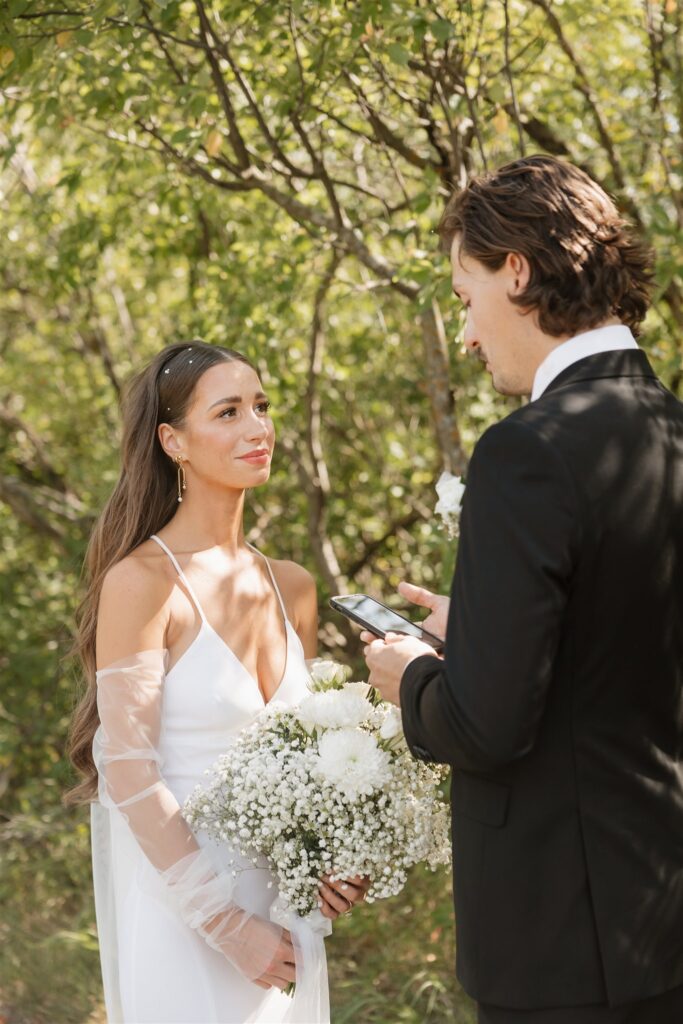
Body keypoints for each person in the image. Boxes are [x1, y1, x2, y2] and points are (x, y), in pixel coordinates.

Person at [362, 156, 683, 1023]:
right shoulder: (666, 428)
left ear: (518, 271)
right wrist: (485, 627)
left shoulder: (527, 449)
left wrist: (412, 679)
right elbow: (629, 639)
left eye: (465, 298)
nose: (465, 335)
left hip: (563, 945)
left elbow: (486, 728)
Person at [65, 341, 367, 1024]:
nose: (256, 427)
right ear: (174, 441)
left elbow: (311, 763)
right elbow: (129, 772)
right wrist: (226, 926)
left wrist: (336, 862)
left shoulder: (293, 587)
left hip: (288, 921)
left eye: (260, 406)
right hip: (187, 918)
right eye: (227, 412)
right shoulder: (142, 583)